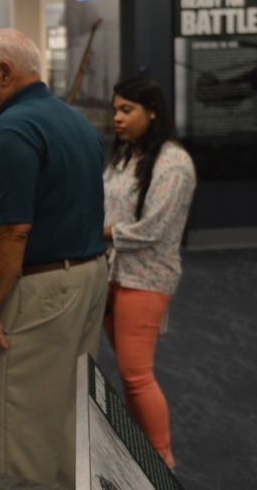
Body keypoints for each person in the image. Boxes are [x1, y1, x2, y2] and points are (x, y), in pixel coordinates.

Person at [0, 28, 107, 488]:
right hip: (83, 280)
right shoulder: (71, 120)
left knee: (16, 433)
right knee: (67, 421)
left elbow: (10, 231)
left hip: (32, 293)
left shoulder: (14, 131)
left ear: (4, 72)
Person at [103, 77, 196, 470]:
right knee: (128, 375)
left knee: (137, 375)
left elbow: (153, 229)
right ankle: (144, 457)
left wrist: (102, 233)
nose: (117, 118)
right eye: (115, 109)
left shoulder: (174, 162)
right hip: (114, 273)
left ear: (152, 111)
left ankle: (162, 461)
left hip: (147, 279)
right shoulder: (126, 155)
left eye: (127, 110)